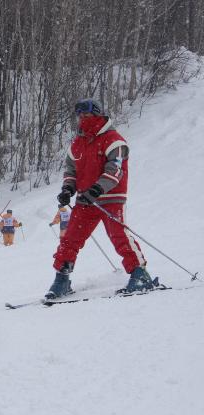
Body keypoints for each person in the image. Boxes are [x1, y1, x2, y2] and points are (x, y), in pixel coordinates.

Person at [46, 98, 154, 299]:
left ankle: (140, 274)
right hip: (85, 200)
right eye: (80, 115)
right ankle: (62, 279)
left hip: (110, 198)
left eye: (86, 114)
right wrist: (68, 189)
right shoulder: (77, 143)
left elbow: (116, 170)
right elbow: (71, 170)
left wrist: (97, 189)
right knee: (70, 239)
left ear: (97, 114)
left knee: (119, 236)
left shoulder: (114, 140)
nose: (82, 118)